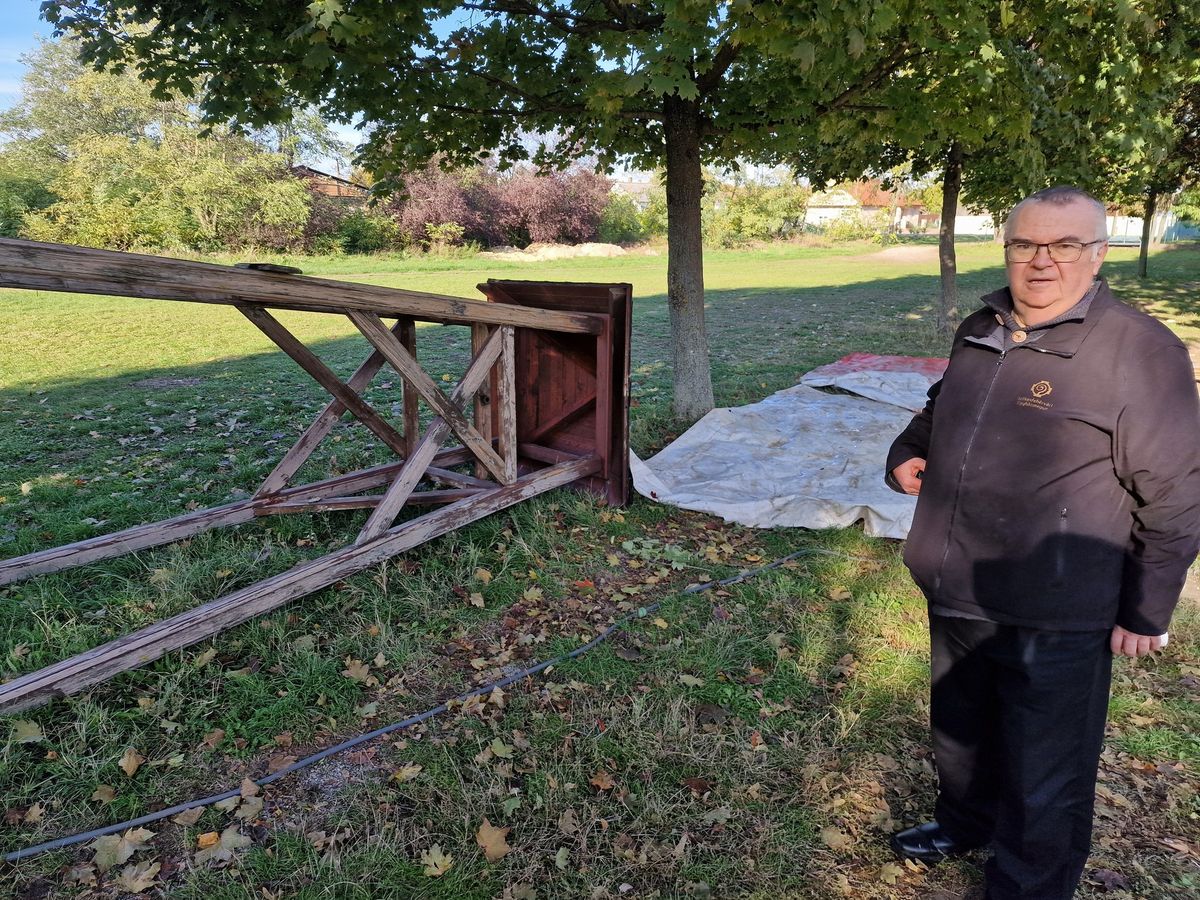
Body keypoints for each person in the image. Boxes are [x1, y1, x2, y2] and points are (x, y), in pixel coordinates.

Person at [884, 185, 1200, 899]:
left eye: (1064, 245)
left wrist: (1147, 608)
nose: (1042, 261)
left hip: (1058, 606)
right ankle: (965, 821)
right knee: (960, 732)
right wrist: (906, 448)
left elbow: (1177, 493)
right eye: (1026, 244)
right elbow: (942, 407)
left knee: (1044, 765)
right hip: (958, 578)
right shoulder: (982, 324)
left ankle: (1028, 882)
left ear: (1097, 254)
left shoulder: (1139, 351)